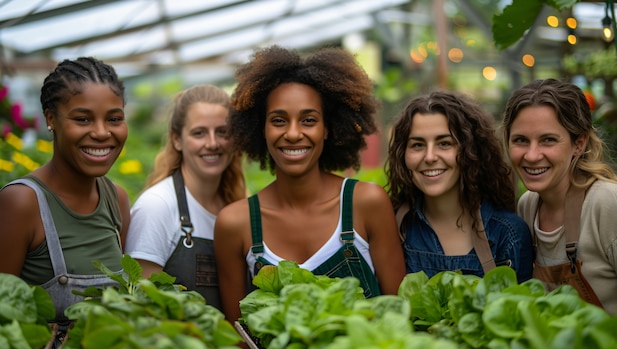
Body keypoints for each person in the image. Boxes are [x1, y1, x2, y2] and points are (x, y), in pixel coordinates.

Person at [214, 45, 405, 324]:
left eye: (308, 120)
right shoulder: (235, 224)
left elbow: (400, 318)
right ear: (261, 128)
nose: (293, 133)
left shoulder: (366, 203)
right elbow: (239, 337)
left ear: (327, 128)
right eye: (278, 120)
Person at [0, 57, 130, 339]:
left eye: (114, 119)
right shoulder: (23, 202)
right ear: (51, 119)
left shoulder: (116, 198)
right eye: (82, 119)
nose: (101, 132)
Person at [502, 78, 617, 314]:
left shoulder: (610, 203)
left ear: (578, 144)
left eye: (548, 140)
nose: (532, 155)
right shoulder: (528, 205)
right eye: (521, 140)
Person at [386, 90, 533, 282]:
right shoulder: (391, 227)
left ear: (471, 150)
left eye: (444, 143)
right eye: (417, 145)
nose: (430, 157)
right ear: (402, 155)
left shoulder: (508, 233)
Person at [124, 85, 245, 309]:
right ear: (177, 140)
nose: (212, 143)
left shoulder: (236, 206)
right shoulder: (158, 206)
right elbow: (142, 308)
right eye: (199, 133)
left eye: (222, 132)